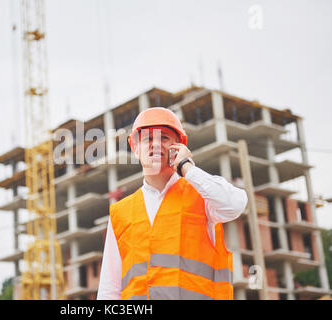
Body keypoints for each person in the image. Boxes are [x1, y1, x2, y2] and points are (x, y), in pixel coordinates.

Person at [97, 107, 248, 300]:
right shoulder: (121, 212)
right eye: (148, 139)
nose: (156, 144)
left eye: (165, 138)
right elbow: (109, 289)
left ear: (179, 146)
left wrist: (187, 167)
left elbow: (235, 204)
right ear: (135, 149)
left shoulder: (201, 196)